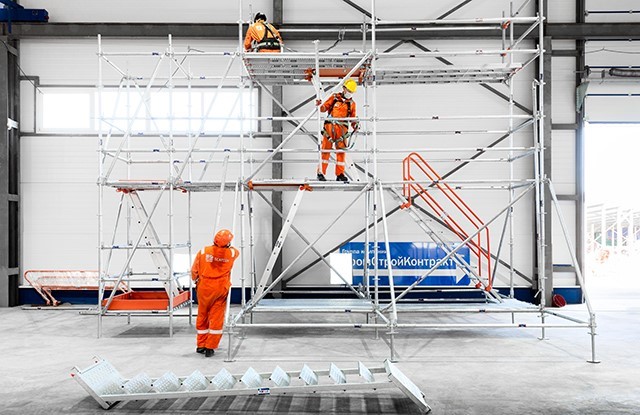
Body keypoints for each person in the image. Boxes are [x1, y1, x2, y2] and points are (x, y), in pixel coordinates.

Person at [191, 229, 239, 357]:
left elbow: (194, 271)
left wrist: (196, 280)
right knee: (216, 317)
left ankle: (201, 345)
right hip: (220, 288)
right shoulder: (232, 253)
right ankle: (210, 347)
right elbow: (235, 251)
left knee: (202, 314)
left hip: (204, 287)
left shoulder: (203, 251)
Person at [316, 79, 358, 182]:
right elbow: (324, 108)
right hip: (329, 129)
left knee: (341, 152)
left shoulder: (352, 104)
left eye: (352, 92)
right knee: (325, 151)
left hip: (342, 132)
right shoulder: (334, 98)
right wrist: (320, 105)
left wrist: (355, 125)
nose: (350, 93)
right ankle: (320, 173)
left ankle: (340, 174)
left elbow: (352, 118)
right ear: (344, 88)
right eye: (349, 91)